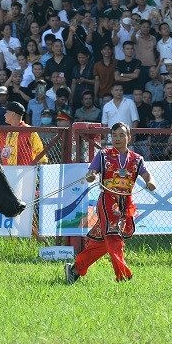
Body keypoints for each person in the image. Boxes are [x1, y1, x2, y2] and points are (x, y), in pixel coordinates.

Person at [65, 122, 156, 284]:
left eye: (121, 135)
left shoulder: (137, 159)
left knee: (103, 242)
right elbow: (92, 172)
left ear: (129, 137)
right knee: (113, 236)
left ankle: (75, 269)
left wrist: (150, 182)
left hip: (126, 203)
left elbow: (146, 174)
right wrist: (91, 175)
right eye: (114, 135)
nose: (117, 138)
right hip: (108, 200)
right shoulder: (103, 155)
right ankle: (123, 275)